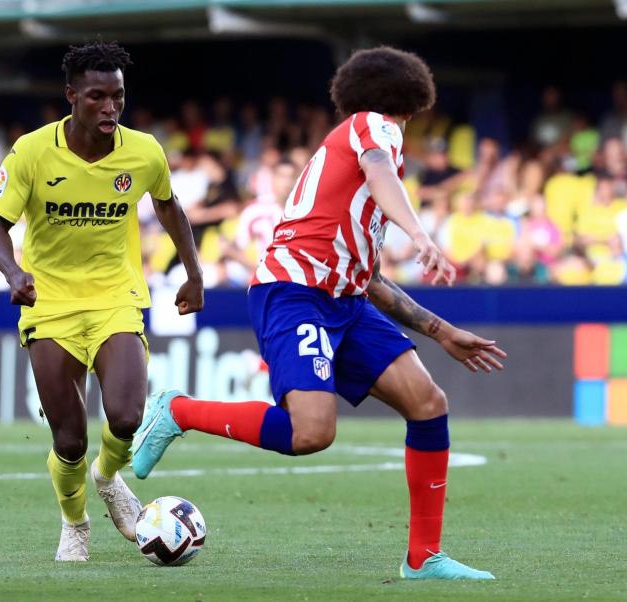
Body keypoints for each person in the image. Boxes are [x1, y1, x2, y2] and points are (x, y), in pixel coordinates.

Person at [131, 47, 506, 581]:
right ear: (410, 95)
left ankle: (423, 558)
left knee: (427, 403)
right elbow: (381, 170)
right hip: (294, 292)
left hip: (344, 301)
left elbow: (369, 278)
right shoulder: (373, 128)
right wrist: (420, 234)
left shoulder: (356, 178)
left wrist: (441, 331)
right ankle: (178, 411)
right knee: (311, 433)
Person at [0, 42, 203, 562]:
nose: (110, 108)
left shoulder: (144, 151)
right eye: (98, 97)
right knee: (70, 441)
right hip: (49, 302)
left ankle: (108, 479)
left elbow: (171, 211)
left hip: (115, 296)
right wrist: (13, 272)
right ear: (71, 97)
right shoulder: (32, 152)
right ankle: (75, 522)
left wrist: (194, 273)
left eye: (118, 97)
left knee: (126, 417)